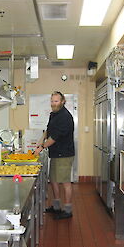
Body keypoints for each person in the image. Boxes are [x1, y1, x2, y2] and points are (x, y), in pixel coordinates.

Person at [34, 91, 75, 219]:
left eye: (56, 101)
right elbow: (48, 131)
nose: (53, 104)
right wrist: (40, 141)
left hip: (64, 154)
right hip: (55, 153)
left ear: (63, 101)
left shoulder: (65, 116)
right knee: (54, 180)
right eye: (52, 101)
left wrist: (42, 147)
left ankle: (68, 210)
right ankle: (56, 206)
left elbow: (54, 138)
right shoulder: (54, 114)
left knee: (65, 182)